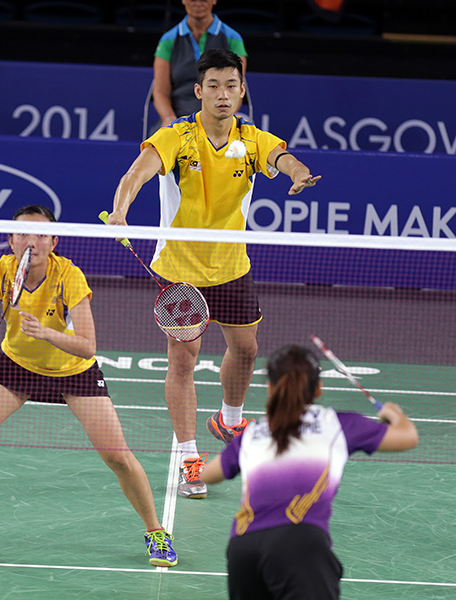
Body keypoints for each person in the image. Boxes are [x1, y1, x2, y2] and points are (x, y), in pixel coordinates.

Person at [106, 48, 321, 500]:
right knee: (183, 361)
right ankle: (189, 456)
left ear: (242, 91)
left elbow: (284, 158)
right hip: (180, 269)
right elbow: (136, 173)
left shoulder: (252, 138)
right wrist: (121, 210)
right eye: (214, 86)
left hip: (230, 266)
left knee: (246, 350)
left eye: (231, 86)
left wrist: (298, 174)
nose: (223, 94)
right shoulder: (177, 136)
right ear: (199, 91)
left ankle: (229, 419)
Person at [0, 204, 178, 567]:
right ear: (10, 240)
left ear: (54, 241)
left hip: (73, 371)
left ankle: (156, 531)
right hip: (17, 366)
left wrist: (46, 333)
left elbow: (88, 346)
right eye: (22, 233)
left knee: (117, 456)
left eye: (40, 234)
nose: (30, 241)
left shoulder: (69, 275)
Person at [201, 344, 419, 599]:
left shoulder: (252, 433)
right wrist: (395, 414)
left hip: (243, 548)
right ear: (318, 389)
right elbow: (408, 438)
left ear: (270, 388)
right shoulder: (338, 424)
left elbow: (208, 475)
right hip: (299, 542)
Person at [153, 0, 248, 128]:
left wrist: (220, 119)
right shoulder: (168, 40)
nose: (198, 3)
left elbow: (235, 89)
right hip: (178, 119)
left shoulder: (233, 38)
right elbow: (161, 91)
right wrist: (170, 119)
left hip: (220, 118)